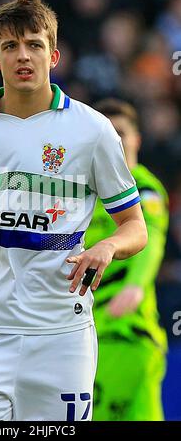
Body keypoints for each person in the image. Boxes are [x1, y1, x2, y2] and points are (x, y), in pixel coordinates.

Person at [0, 0, 147, 421]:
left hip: (61, 334)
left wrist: (107, 246)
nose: (23, 56)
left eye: (35, 44)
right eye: (10, 46)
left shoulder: (93, 131)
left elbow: (135, 227)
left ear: (54, 56)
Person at [86, 99, 168, 421]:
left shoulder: (144, 187)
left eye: (121, 132)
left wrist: (134, 285)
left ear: (137, 140)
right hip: (94, 331)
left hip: (124, 331)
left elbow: (153, 239)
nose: (115, 140)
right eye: (109, 132)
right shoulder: (86, 193)